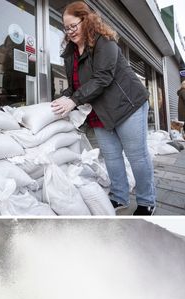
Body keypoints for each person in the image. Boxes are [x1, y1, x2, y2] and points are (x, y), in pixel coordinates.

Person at [51, 1, 156, 216]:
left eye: (73, 26)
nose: (70, 32)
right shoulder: (70, 53)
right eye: (66, 28)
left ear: (86, 20)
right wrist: (58, 101)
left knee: (136, 156)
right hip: (99, 109)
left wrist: (73, 101)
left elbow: (103, 77)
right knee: (111, 156)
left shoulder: (104, 42)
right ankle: (119, 197)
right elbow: (73, 87)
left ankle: (146, 201)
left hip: (127, 105)